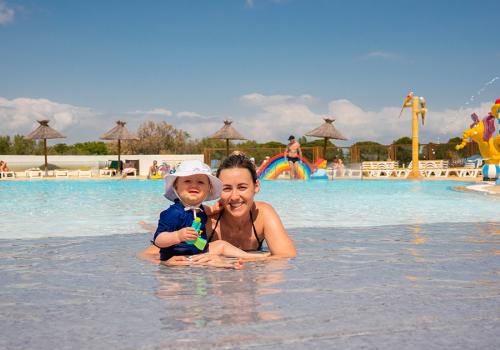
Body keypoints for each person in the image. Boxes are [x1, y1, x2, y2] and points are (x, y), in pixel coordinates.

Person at [139, 153, 297, 266]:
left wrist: (227, 260)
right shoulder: (207, 221)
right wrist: (166, 262)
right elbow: (145, 255)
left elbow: (287, 257)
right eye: (227, 188)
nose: (235, 197)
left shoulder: (263, 215)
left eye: (242, 187)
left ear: (256, 187)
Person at [152, 159, 269, 269]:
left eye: (200, 182)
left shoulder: (200, 209)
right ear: (176, 186)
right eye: (187, 181)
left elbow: (206, 210)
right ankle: (227, 264)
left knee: (221, 245)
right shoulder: (172, 213)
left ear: (209, 189)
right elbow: (158, 239)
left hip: (199, 251)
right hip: (179, 256)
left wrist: (213, 209)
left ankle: (252, 256)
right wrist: (177, 236)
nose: (194, 185)